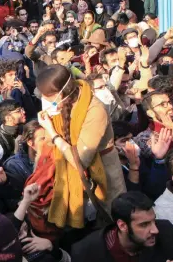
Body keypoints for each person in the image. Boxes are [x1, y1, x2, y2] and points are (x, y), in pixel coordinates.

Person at [25, 65, 126, 237]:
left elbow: (80, 160)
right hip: (69, 177)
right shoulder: (61, 104)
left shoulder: (94, 110)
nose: (45, 101)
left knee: (110, 223)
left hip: (102, 174)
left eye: (48, 97)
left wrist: (52, 132)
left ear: (62, 93)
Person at [134, 91, 173, 158]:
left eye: (170, 102)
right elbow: (172, 163)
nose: (170, 106)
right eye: (162, 104)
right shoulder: (145, 137)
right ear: (151, 113)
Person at [4, 120, 48, 194]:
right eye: (42, 139)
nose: (47, 142)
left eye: (49, 138)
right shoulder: (14, 165)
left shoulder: (52, 158)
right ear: (30, 142)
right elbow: (15, 193)